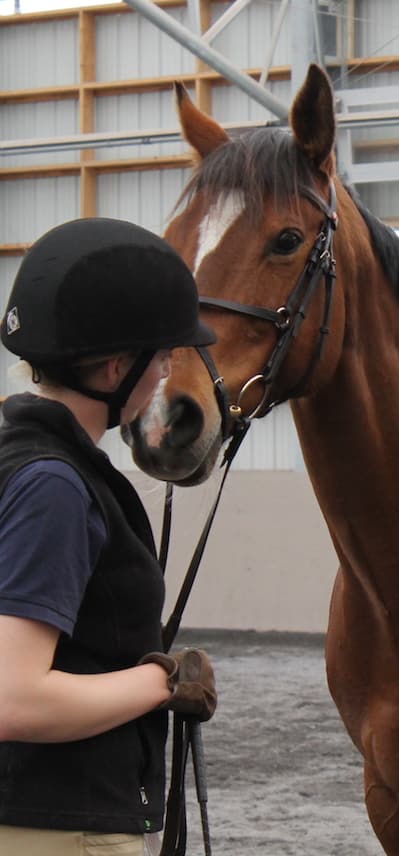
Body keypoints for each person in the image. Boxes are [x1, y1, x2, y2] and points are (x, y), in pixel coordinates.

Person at [0, 218, 220, 856]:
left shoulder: (20, 455)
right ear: (117, 366)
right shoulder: (55, 485)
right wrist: (164, 679)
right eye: (163, 355)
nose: (167, 372)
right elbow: (16, 697)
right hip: (61, 828)